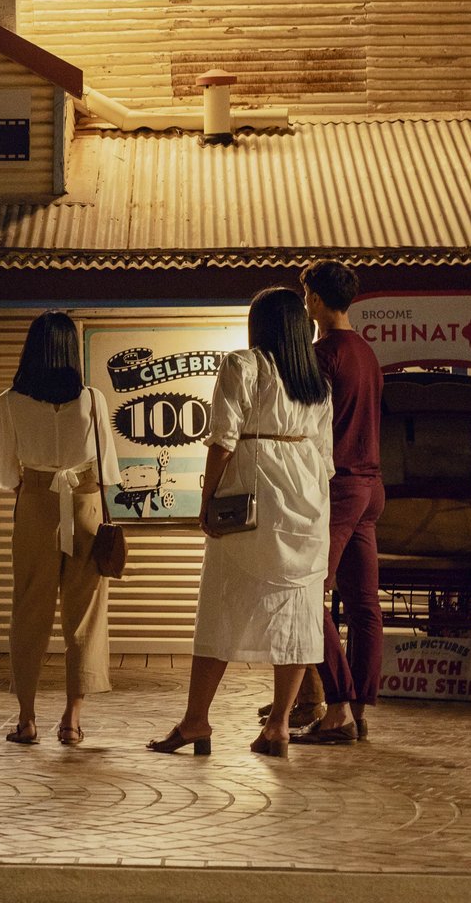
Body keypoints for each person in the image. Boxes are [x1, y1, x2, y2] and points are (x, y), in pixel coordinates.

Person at [149, 287, 333, 758]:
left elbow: (222, 439)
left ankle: (195, 720)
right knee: (299, 613)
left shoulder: (242, 365)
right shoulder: (317, 385)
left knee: (220, 605)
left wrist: (206, 498)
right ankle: (278, 727)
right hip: (308, 503)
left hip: (254, 499)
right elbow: (327, 459)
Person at [0, 311, 121, 746]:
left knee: (28, 610)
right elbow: (107, 469)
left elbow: (6, 474)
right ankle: (72, 719)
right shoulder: (93, 400)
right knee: (85, 615)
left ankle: (26, 719)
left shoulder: (8, 401)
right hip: (85, 504)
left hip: (36, 505)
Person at [295, 260, 385, 744]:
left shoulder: (322, 354)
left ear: (314, 299)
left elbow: (305, 423)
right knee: (364, 604)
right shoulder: (368, 353)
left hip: (340, 486)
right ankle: (362, 708)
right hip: (372, 488)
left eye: (306, 293)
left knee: (307, 595)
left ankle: (339, 706)